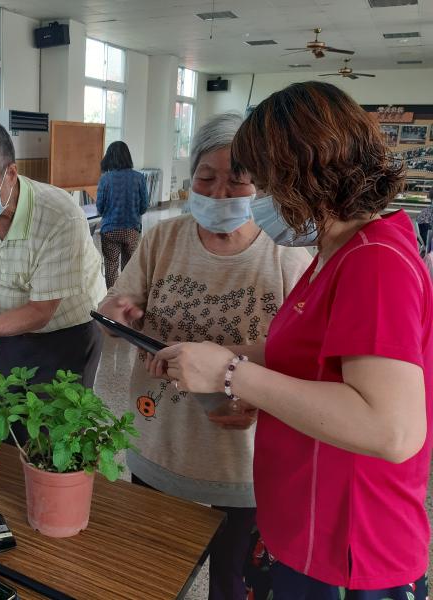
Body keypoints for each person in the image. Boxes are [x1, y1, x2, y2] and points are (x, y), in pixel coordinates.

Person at [149, 82, 431, 599]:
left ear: (307, 179)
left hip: (346, 544)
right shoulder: (338, 249)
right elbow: (309, 358)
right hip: (303, 520)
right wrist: (226, 357)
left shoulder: (374, 264)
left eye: (264, 184)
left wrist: (233, 374)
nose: (258, 200)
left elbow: (392, 428)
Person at [98, 112, 312, 600]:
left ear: (263, 185)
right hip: (158, 443)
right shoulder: (161, 239)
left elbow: (301, 361)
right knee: (150, 573)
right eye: (206, 178)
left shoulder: (286, 257)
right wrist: (118, 311)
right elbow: (119, 309)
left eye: (238, 182)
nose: (218, 195)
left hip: (239, 461)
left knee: (231, 583)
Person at [0, 119, 106, 433]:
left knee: (54, 434)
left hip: (68, 332)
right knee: (4, 422)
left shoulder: (58, 215)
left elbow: (42, 311)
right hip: (10, 330)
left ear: (11, 173)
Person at [96, 141, 149, 287]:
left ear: (110, 157)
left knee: (111, 268)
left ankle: (111, 300)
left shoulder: (105, 179)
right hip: (132, 230)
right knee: (130, 268)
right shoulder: (139, 178)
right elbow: (144, 206)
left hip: (110, 231)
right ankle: (127, 297)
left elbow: (100, 208)